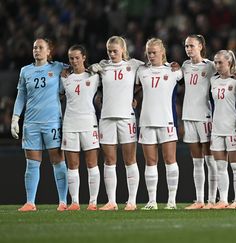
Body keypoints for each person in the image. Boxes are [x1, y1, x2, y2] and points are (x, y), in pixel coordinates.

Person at [11, 38, 68, 211]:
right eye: (34, 47)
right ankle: (30, 202)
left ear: (49, 51)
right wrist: (15, 118)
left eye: (40, 47)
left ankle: (63, 202)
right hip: (31, 123)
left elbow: (78, 68)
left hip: (52, 121)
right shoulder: (25, 71)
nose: (36, 50)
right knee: (32, 163)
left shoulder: (58, 67)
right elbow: (21, 96)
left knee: (58, 161)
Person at [89, 36, 144, 211]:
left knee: (130, 160)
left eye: (115, 51)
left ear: (123, 49)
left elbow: (150, 73)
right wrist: (91, 68)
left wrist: (136, 97)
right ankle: (111, 202)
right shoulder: (102, 66)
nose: (112, 54)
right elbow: (85, 76)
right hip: (106, 118)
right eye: (109, 51)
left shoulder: (134, 65)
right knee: (109, 160)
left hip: (127, 117)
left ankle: (132, 201)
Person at [136, 38, 183, 210]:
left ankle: (171, 201)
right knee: (150, 162)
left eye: (154, 52)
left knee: (170, 160)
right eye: (149, 52)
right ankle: (152, 201)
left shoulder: (174, 71)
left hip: (167, 121)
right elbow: (131, 87)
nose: (151, 55)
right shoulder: (141, 70)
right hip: (147, 121)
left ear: (162, 52)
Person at [61, 45, 100, 211]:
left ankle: (93, 202)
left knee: (92, 164)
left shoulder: (95, 76)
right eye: (71, 58)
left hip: (89, 123)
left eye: (77, 57)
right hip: (69, 123)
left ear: (84, 57)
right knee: (72, 165)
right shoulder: (64, 78)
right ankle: (75, 202)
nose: (74, 61)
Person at [182, 35, 218, 210]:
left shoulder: (211, 66)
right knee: (196, 161)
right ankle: (199, 200)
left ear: (201, 46)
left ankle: (212, 200)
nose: (189, 49)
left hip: (205, 116)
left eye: (192, 46)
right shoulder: (185, 66)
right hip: (189, 116)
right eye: (187, 46)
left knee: (210, 159)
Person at [209, 50, 236, 209]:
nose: (217, 65)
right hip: (217, 128)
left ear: (229, 63)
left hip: (233, 128)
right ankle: (223, 200)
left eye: (220, 62)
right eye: (215, 62)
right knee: (220, 166)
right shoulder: (213, 81)